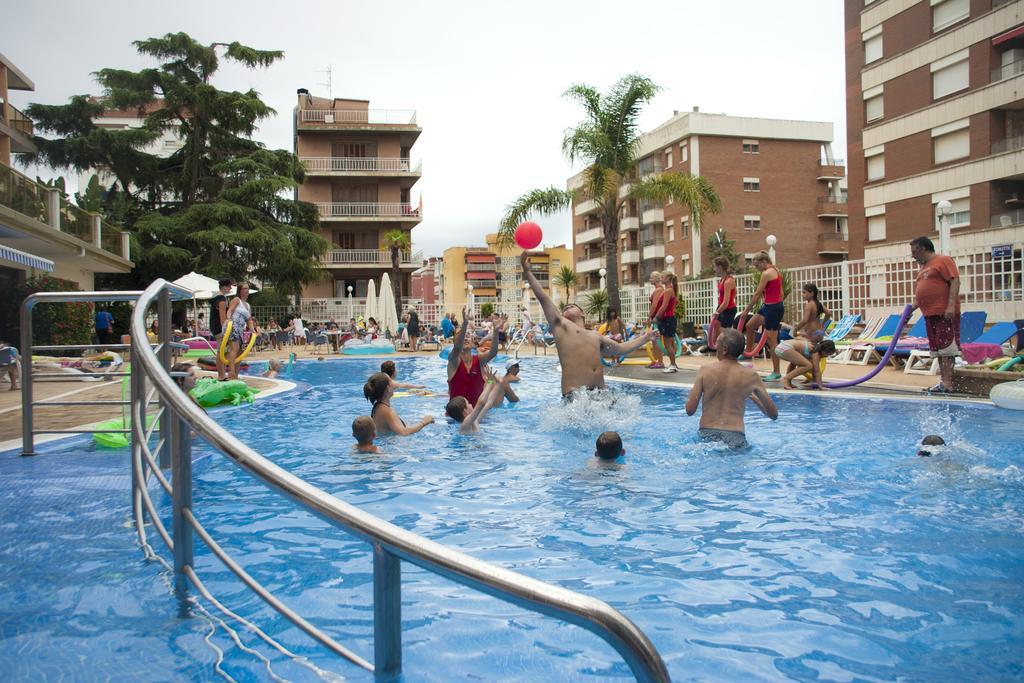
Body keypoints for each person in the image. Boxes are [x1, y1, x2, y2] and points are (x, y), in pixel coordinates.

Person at [522, 251, 655, 396]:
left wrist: (645, 338)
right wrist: (527, 272)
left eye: (571, 306)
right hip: (576, 396)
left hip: (600, 394)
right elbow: (543, 298)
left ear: (582, 313)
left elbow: (620, 350)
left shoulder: (595, 336)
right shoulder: (561, 326)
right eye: (565, 307)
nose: (567, 307)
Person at [684, 328, 778, 448]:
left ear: (725, 349)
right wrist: (754, 399)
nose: (714, 346)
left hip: (707, 434)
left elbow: (690, 410)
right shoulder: (751, 376)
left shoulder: (705, 371)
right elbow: (773, 415)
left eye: (717, 342)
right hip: (735, 436)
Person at [909, 236, 961, 394]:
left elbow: (955, 281)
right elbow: (920, 296)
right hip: (929, 314)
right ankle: (943, 382)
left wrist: (950, 305)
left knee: (947, 349)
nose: (912, 255)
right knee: (938, 350)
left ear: (923, 249)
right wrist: (909, 311)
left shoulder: (943, 260)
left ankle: (948, 383)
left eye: (914, 252)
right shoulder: (923, 268)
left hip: (944, 313)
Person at [739, 251, 784, 381]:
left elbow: (757, 294)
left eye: (757, 265)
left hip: (773, 308)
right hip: (768, 306)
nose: (756, 268)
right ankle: (749, 353)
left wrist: (746, 310)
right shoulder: (775, 270)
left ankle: (776, 372)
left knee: (772, 340)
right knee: (750, 325)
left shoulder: (766, 273)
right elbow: (780, 292)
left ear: (764, 262)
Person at [448, 305, 500, 405]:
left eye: (468, 336)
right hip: (455, 417)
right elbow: (458, 348)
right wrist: (465, 324)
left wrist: (496, 331)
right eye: (463, 336)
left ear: (473, 343)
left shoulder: (479, 360)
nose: (466, 338)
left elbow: (493, 353)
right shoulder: (453, 361)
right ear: (456, 342)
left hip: (476, 412)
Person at [444, 366, 513, 434]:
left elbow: (488, 403)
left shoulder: (474, 420)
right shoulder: (465, 425)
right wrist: (489, 382)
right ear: (465, 411)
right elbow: (481, 403)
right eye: (468, 404)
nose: (471, 404)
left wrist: (498, 384)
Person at [364, 372, 433, 436]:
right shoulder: (386, 411)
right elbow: (403, 432)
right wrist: (423, 422)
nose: (394, 382)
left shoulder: (379, 406)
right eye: (391, 381)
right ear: (388, 388)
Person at [225, 283, 256, 380]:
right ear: (240, 290)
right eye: (245, 288)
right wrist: (228, 318)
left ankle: (236, 375)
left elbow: (249, 319)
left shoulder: (247, 305)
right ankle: (231, 373)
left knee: (240, 352)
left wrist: (252, 330)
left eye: (248, 288)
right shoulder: (236, 300)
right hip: (233, 327)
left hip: (241, 330)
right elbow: (230, 310)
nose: (247, 290)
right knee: (234, 349)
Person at [705, 256, 736, 352]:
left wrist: (717, 311)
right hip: (721, 306)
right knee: (715, 326)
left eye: (715, 267)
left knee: (724, 331)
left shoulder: (728, 281)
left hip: (728, 308)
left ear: (720, 267)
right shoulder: (722, 280)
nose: (714, 269)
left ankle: (730, 348)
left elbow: (726, 302)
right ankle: (712, 346)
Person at [652, 272, 680, 373]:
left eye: (662, 277)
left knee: (668, 344)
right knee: (670, 343)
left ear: (668, 279)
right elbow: (674, 303)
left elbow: (663, 306)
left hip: (667, 319)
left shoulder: (668, 290)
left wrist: (656, 317)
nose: (661, 278)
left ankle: (672, 365)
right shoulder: (670, 290)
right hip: (668, 318)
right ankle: (674, 364)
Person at [209, 278, 233, 381]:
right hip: (219, 328)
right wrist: (226, 331)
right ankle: (221, 376)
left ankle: (223, 374)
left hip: (215, 327)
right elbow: (222, 317)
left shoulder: (218, 297)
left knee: (224, 351)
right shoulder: (221, 299)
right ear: (224, 287)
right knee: (221, 351)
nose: (231, 288)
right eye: (229, 286)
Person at [645, 270, 666, 369]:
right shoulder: (658, 289)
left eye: (651, 277)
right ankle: (655, 360)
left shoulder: (658, 290)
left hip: (657, 318)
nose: (650, 279)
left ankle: (660, 362)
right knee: (654, 340)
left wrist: (649, 316)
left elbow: (655, 305)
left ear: (656, 279)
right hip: (656, 317)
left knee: (656, 340)